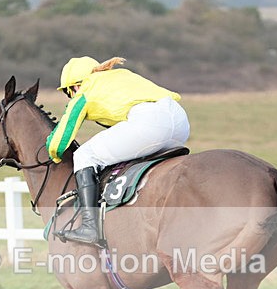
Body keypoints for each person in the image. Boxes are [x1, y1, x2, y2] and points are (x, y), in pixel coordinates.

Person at [47, 56, 190, 245]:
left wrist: (52, 154)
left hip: (151, 123)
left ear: (75, 86)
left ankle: (90, 227)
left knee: (84, 155)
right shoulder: (120, 76)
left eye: (68, 92)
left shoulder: (85, 91)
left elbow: (59, 142)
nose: (70, 97)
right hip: (180, 121)